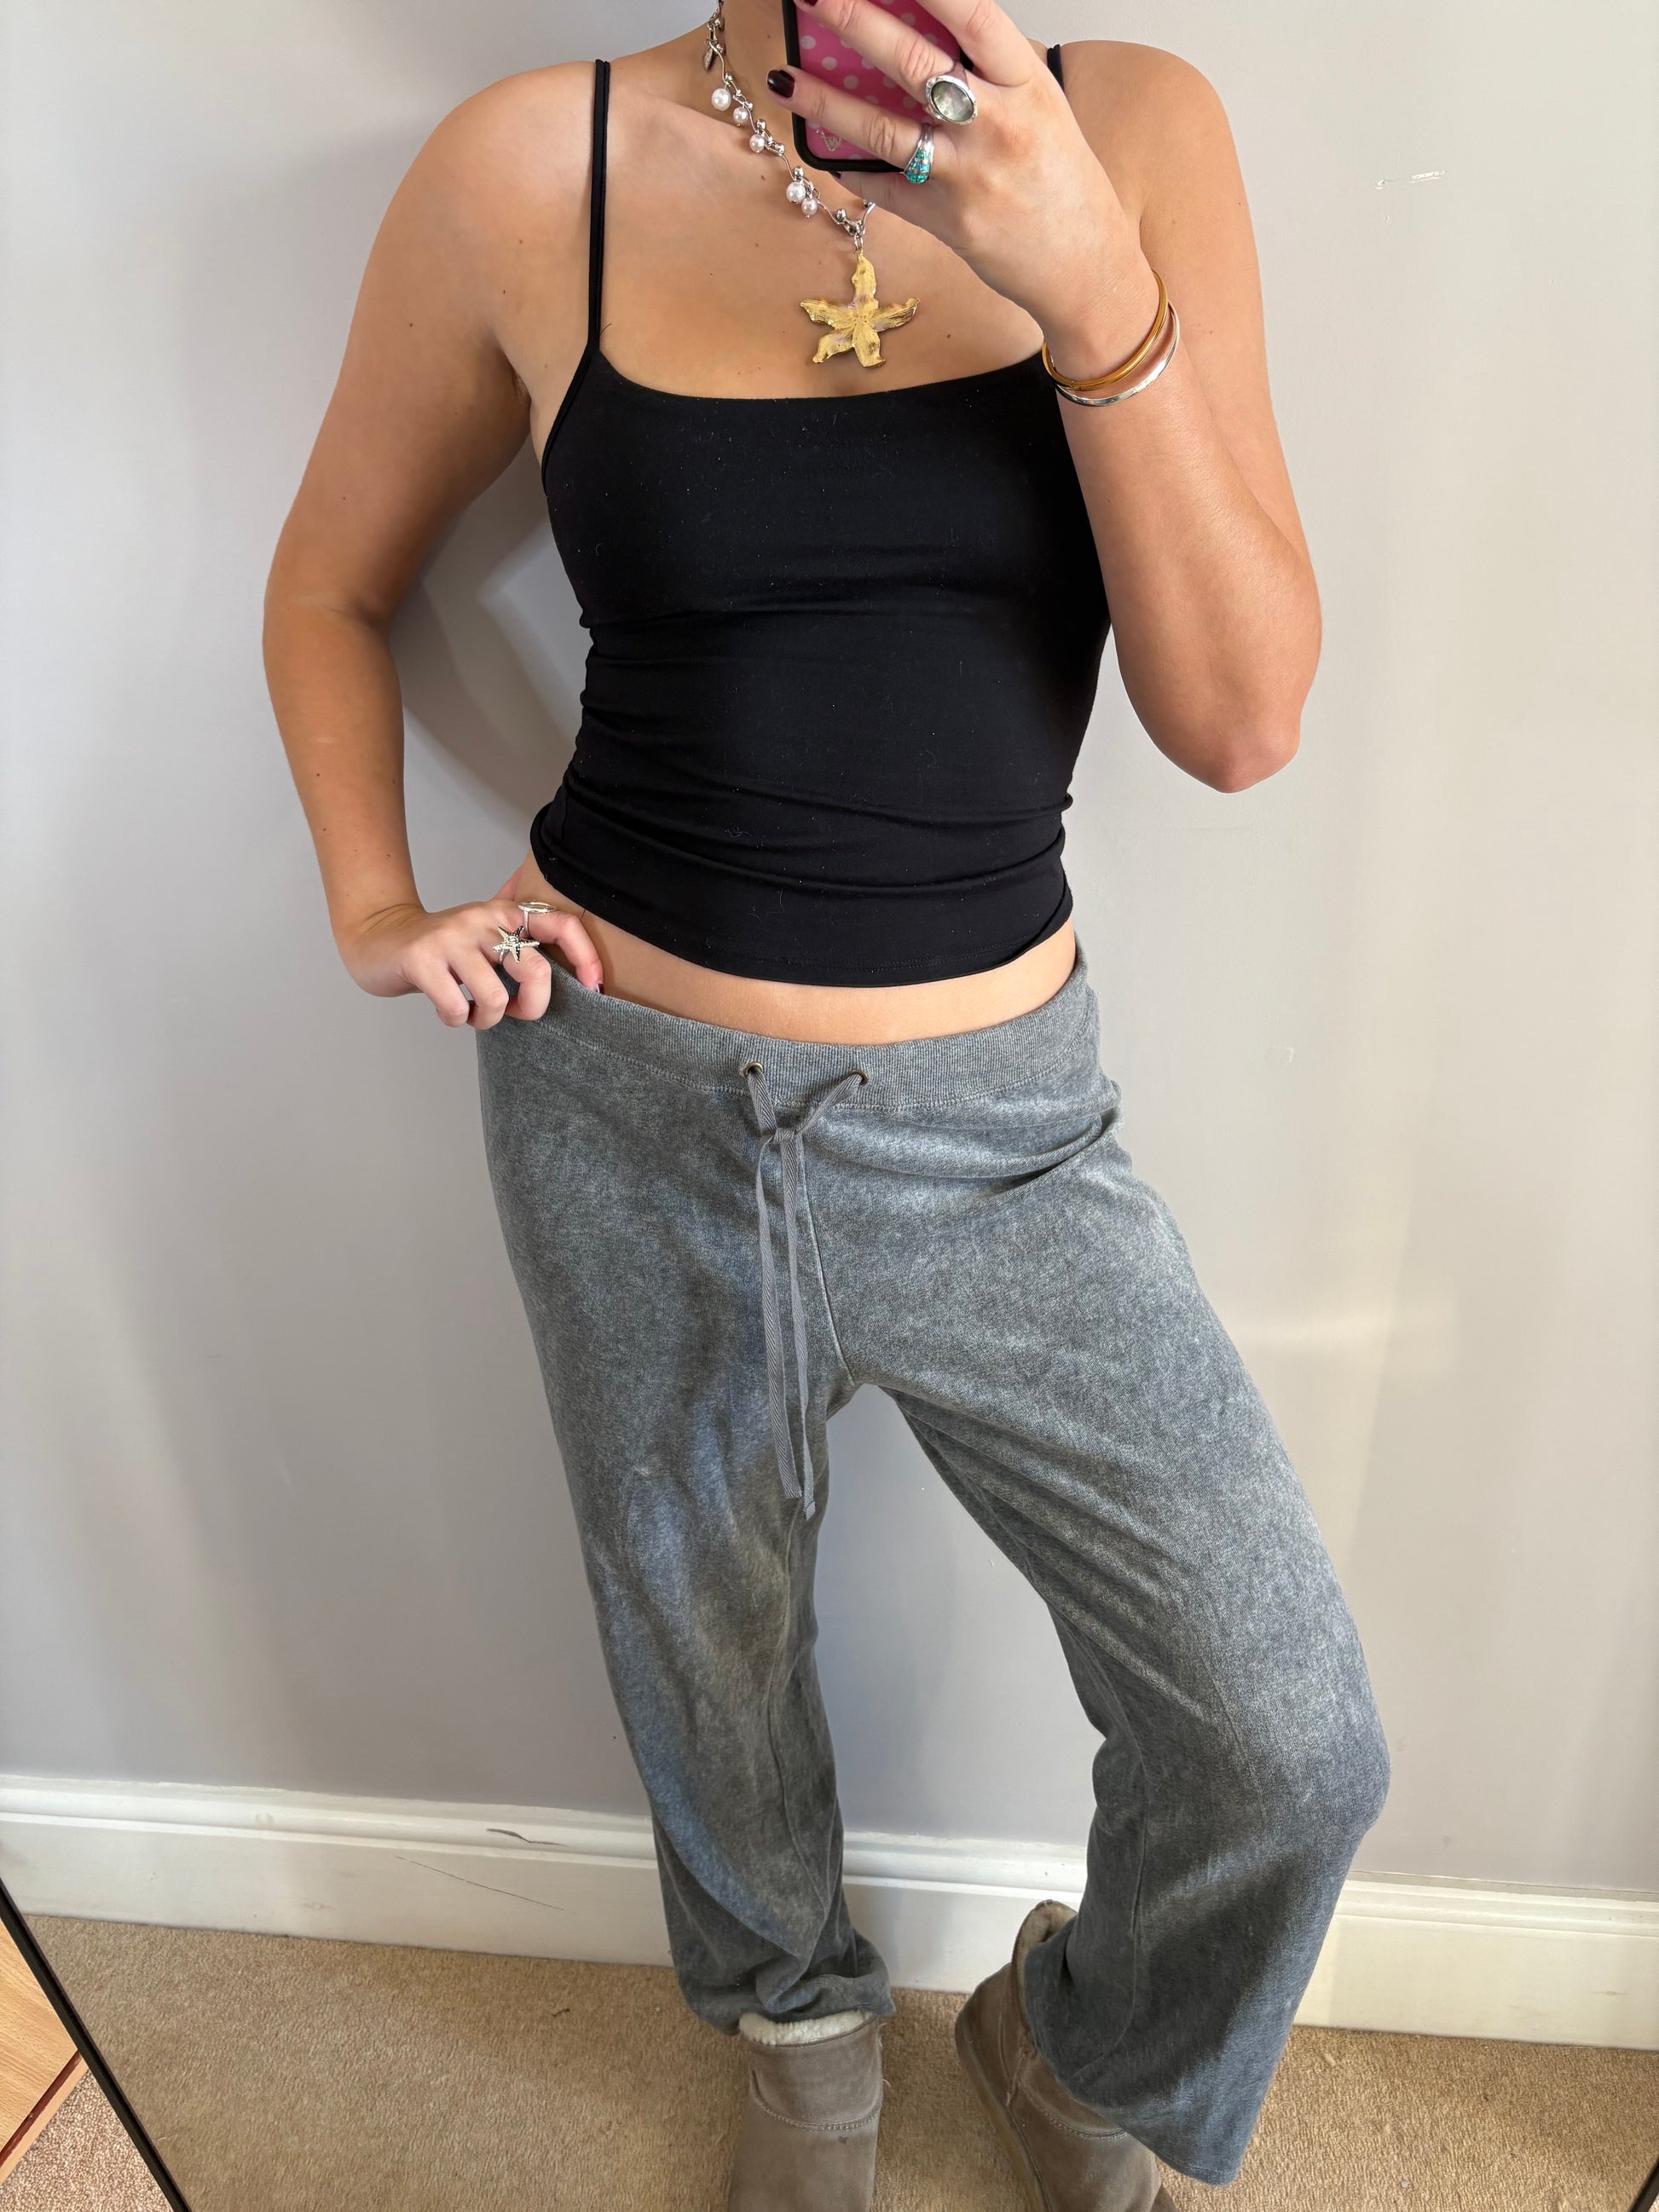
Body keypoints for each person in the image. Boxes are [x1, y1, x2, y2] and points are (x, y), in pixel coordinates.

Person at [263, 2, 1390, 2205]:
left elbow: (1241, 719)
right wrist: (375, 904)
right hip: (620, 1089)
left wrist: (1089, 281)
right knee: (707, 1641)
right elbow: (330, 579)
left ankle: (1076, 2051)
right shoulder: (534, 166)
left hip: (1005, 1132)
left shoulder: (1131, 125)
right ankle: (793, 2033)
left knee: (1286, 1739)